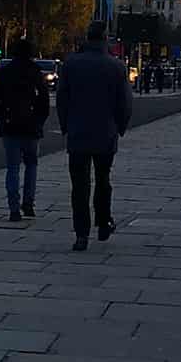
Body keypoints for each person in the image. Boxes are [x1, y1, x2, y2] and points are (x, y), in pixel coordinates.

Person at [56, 19, 134, 251]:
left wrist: (65, 125)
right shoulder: (116, 66)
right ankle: (103, 221)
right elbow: (125, 102)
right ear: (105, 38)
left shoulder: (71, 64)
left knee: (79, 185)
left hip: (78, 132)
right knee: (103, 179)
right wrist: (120, 126)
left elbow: (62, 98)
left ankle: (81, 233)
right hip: (106, 132)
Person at [0, 36, 50, 222]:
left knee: (12, 167)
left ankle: (13, 208)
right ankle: (28, 203)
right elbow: (44, 102)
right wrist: (39, 121)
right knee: (31, 165)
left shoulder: (4, 73)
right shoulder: (36, 73)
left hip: (10, 125)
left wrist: (2, 116)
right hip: (31, 127)